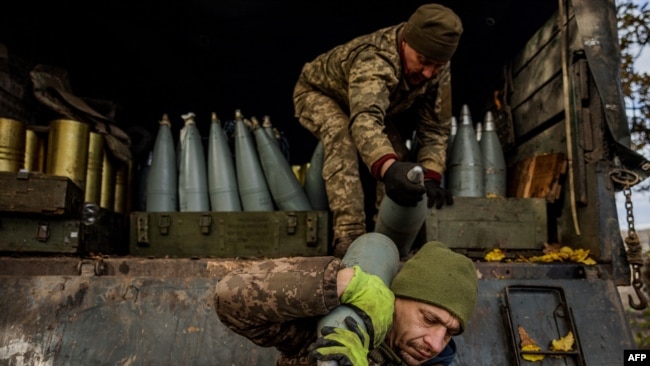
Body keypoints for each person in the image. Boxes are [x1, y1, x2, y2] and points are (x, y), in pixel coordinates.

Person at [293, 3, 461, 257]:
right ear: (405, 43)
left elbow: (435, 128)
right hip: (319, 94)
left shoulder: (437, 65)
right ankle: (349, 234)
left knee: (401, 162)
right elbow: (364, 119)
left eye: (437, 66)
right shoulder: (376, 59)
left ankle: (388, 239)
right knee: (342, 136)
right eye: (424, 62)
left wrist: (430, 176)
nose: (429, 73)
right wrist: (387, 168)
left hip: (365, 105)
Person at [215, 239, 479, 366]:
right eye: (429, 319)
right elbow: (230, 295)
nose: (435, 344)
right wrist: (340, 284)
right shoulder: (320, 330)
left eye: (449, 334)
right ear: (396, 298)